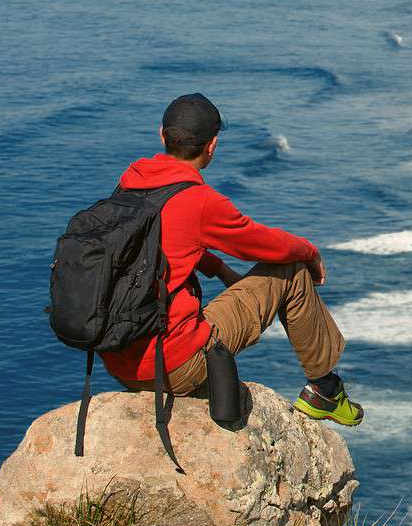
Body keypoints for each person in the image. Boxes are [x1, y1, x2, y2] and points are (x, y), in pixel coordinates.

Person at [98, 92, 362, 427]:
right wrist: (309, 251)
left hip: (120, 362)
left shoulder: (130, 182)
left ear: (161, 135)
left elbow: (159, 243)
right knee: (292, 269)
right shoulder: (199, 201)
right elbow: (267, 246)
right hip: (174, 365)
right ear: (212, 146)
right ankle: (325, 390)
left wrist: (218, 268)